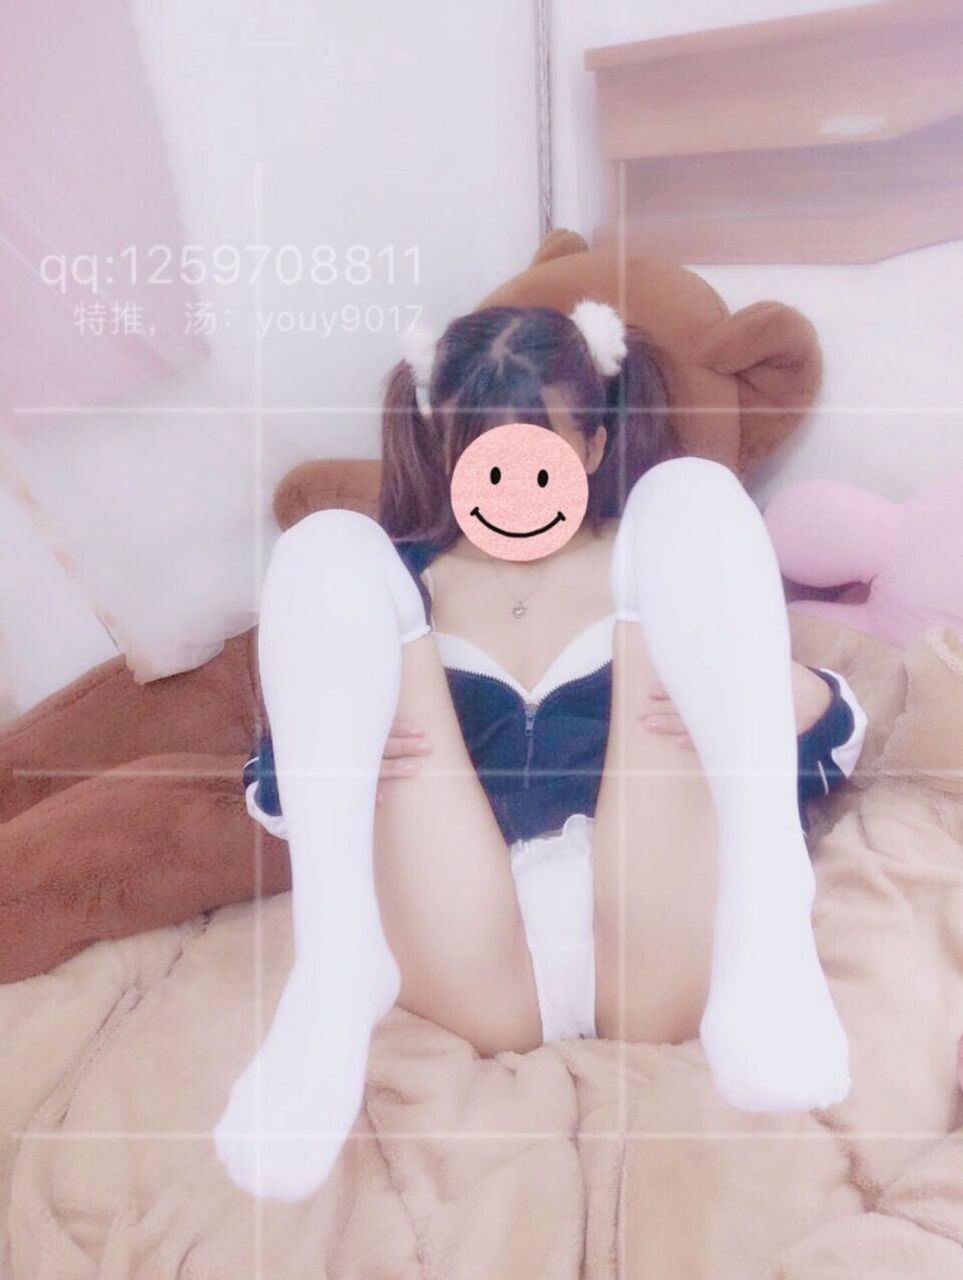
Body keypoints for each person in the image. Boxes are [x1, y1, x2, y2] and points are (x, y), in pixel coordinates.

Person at [215, 301, 867, 1201]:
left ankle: (769, 909)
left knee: (691, 493)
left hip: (657, 941)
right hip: (473, 963)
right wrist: (340, 764)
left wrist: (785, 697)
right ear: (443, 453)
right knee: (325, 543)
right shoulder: (393, 585)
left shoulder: (665, 564)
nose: (511, 488)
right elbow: (276, 783)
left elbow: (836, 735)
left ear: (591, 446)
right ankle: (333, 968)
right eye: (480, 458)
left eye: (538, 455)